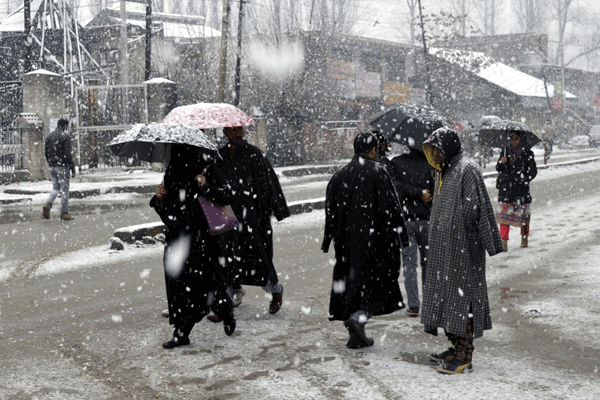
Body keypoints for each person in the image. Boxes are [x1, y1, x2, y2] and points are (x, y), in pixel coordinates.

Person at [421, 127, 504, 374]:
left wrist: (490, 242)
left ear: (448, 148)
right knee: (445, 298)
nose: (435, 156)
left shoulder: (467, 169)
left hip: (463, 250)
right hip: (442, 250)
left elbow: (479, 209)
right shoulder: (442, 172)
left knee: (462, 300)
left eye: (438, 150)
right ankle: (455, 346)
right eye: (432, 151)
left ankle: (465, 355)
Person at [322, 132, 408, 349]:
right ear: (373, 151)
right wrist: (401, 237)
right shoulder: (379, 172)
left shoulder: (339, 175)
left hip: (345, 244)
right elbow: (391, 208)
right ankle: (359, 319)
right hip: (376, 243)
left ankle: (355, 335)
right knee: (381, 285)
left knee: (352, 287)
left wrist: (328, 239)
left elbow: (330, 211)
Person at [151, 144, 236, 349]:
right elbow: (168, 215)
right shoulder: (173, 171)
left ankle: (222, 311)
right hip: (176, 240)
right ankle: (182, 332)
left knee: (202, 285)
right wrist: (159, 199)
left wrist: (205, 186)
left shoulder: (207, 167)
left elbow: (227, 196)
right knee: (178, 287)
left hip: (201, 240)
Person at [216, 126, 290, 316]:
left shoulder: (253, 154)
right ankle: (228, 299)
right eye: (233, 130)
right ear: (225, 132)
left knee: (259, 257)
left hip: (251, 217)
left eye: (240, 130)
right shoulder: (220, 156)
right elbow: (215, 184)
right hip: (227, 215)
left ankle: (275, 290)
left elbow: (268, 183)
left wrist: (271, 211)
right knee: (227, 257)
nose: (238, 133)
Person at [391, 146, 434, 318]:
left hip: (406, 219)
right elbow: (435, 188)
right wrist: (422, 193)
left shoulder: (397, 162)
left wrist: (413, 192)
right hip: (426, 218)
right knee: (427, 263)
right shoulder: (430, 163)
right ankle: (430, 303)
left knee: (409, 265)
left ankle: (414, 306)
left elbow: (396, 186)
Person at [495, 131, 538, 250]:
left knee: (523, 215)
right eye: (511, 138)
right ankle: (503, 241)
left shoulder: (527, 153)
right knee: (504, 215)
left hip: (521, 188)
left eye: (516, 138)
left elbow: (533, 171)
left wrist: (524, 179)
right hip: (506, 188)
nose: (513, 141)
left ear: (522, 139)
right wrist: (501, 162)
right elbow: (498, 168)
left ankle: (524, 237)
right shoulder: (505, 151)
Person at [43, 118, 76, 221]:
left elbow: (46, 153)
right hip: (62, 167)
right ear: (65, 126)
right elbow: (68, 155)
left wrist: (51, 163)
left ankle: (48, 203)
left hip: (52, 166)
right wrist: (72, 168)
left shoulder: (49, 136)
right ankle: (64, 213)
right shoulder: (65, 137)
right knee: (64, 190)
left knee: (56, 187)